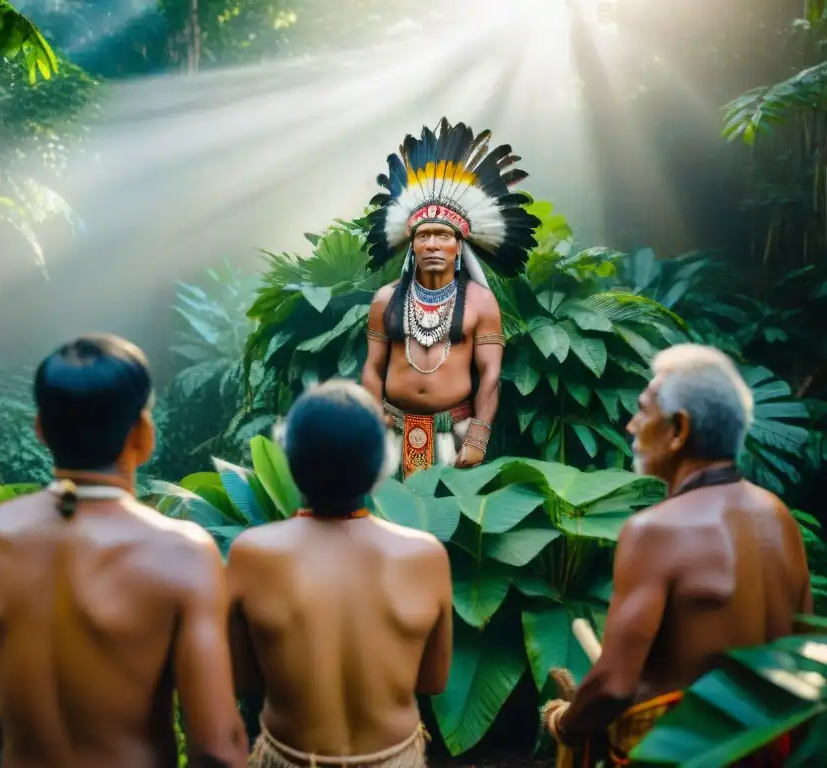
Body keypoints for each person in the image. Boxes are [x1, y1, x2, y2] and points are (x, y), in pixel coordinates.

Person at [0, 334, 248, 768]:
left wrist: (32, 726)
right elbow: (216, 748)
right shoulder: (182, 553)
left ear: (41, 430)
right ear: (143, 434)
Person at [543, 344, 812, 766]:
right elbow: (799, 653)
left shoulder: (656, 530)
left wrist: (564, 723)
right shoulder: (779, 518)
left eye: (644, 411)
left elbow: (613, 685)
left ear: (678, 430)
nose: (632, 425)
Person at [227, 379, 453, 767]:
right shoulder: (426, 555)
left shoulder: (252, 554)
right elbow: (432, 681)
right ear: (381, 461)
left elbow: (244, 679)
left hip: (287, 757)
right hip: (396, 759)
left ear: (292, 459)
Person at [361, 117, 541, 479]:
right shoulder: (386, 300)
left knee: (451, 530)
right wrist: (373, 415)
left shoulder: (480, 303)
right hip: (391, 433)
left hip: (454, 434)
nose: (432, 244)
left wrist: (478, 436)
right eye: (423, 235)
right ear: (411, 245)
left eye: (442, 235)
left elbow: (490, 373)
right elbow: (373, 366)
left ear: (459, 246)